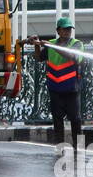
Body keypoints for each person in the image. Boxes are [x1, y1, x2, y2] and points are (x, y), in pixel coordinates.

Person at [32, 17, 85, 151]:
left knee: (75, 118)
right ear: (58, 31)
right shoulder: (51, 44)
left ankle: (78, 146)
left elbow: (73, 57)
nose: (67, 32)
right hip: (55, 87)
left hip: (72, 88)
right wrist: (36, 45)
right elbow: (38, 58)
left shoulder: (77, 44)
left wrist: (53, 46)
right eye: (64, 29)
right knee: (57, 119)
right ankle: (59, 145)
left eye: (69, 29)